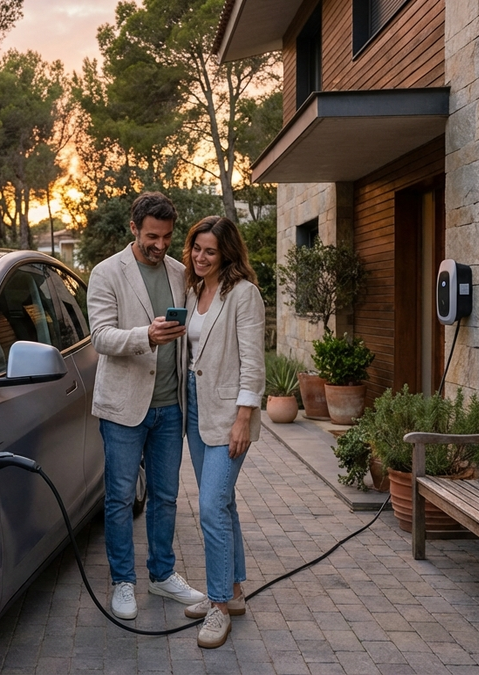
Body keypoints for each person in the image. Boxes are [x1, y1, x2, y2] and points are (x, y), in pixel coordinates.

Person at [87, 191, 207, 620]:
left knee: (166, 497)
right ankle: (123, 582)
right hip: (124, 408)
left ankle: (162, 575)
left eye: (168, 237)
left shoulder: (180, 272)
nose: (161, 245)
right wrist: (146, 336)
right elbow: (100, 336)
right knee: (119, 498)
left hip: (171, 409)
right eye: (152, 237)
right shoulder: (106, 273)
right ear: (133, 228)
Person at [178, 215, 265, 649]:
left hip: (230, 412)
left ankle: (217, 606)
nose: (200, 256)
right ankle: (232, 593)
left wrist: (244, 417)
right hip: (196, 407)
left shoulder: (243, 295)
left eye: (210, 251)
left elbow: (253, 361)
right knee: (223, 503)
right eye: (196, 248)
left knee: (210, 506)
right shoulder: (194, 291)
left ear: (227, 253)